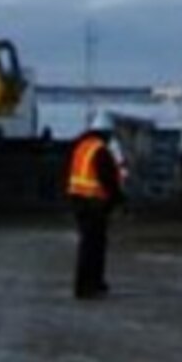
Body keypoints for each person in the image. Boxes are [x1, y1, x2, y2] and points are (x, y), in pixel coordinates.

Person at [65, 113, 124, 300]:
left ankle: (93, 283)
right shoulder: (100, 151)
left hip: (78, 200)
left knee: (89, 244)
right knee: (93, 246)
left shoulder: (81, 146)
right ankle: (87, 286)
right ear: (105, 133)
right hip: (94, 204)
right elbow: (108, 180)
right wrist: (118, 199)